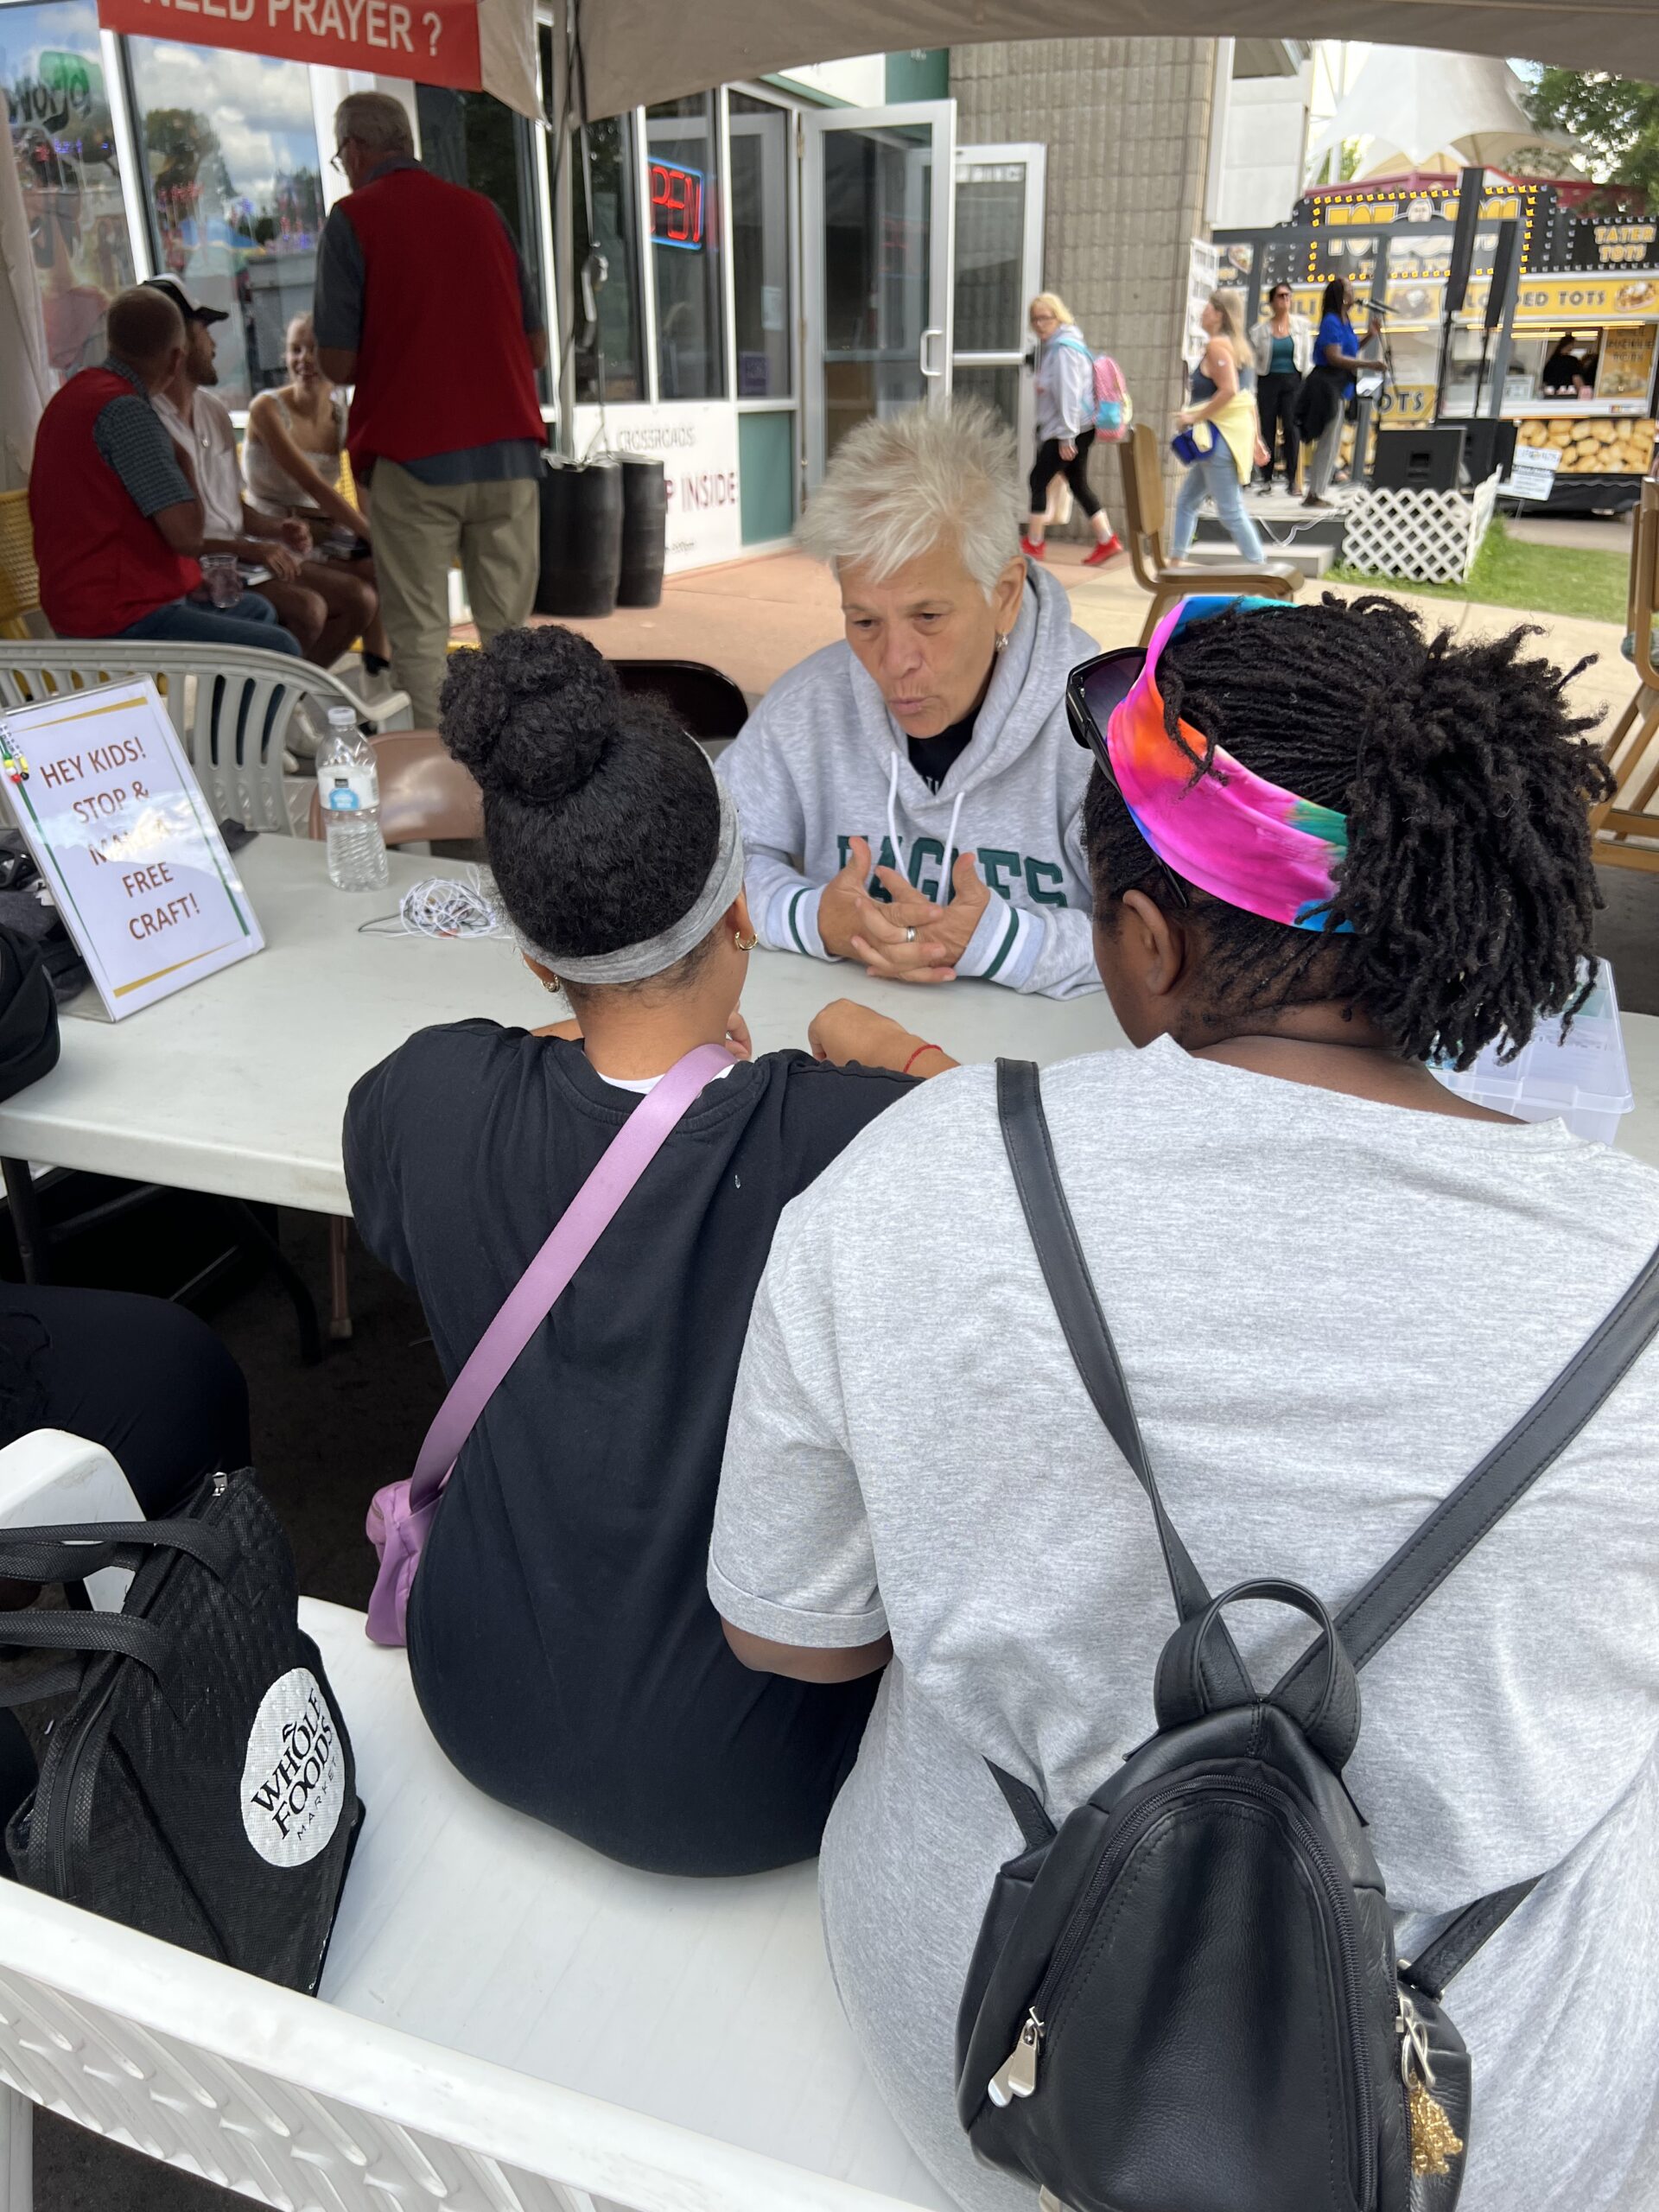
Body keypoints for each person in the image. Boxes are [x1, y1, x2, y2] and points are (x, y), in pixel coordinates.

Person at [709, 591, 1659, 2212]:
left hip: (1001, 2064)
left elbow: (791, 1636)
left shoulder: (917, 1184)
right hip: (1472, 2133)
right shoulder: (1634, 1276)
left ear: (1148, 946)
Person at [343, 624, 957, 1877]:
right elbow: (993, 1164)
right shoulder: (867, 1138)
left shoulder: (426, 1096)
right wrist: (884, 1046)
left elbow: (463, 1132)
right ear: (742, 911)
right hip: (761, 1782)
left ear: (532, 952)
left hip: (473, 1697)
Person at [716, 401, 1102, 1001]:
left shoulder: (1102, 723)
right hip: (837, 1053)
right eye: (864, 621)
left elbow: (1177, 934)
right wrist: (811, 916)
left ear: (1003, 596)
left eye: (928, 616)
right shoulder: (809, 705)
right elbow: (708, 863)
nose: (894, 662)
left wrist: (1009, 942)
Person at [315, 92, 548, 729]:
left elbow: (335, 364)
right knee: (508, 639)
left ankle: (449, 801)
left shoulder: (353, 219)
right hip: (509, 453)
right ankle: (517, 785)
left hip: (413, 455)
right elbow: (537, 347)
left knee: (421, 638)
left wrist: (399, 347)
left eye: (343, 157)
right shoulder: (485, 212)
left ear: (356, 150)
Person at [28, 286, 302, 657]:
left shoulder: (75, 394)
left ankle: (221, 718)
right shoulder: (128, 414)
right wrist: (183, 459)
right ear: (176, 359)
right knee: (279, 649)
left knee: (258, 610)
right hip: (115, 617)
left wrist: (186, 581)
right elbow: (186, 537)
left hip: (81, 600)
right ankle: (225, 718)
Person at [146, 281, 377, 670]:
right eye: (204, 330)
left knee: (362, 598)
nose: (215, 344)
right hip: (202, 569)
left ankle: (286, 705)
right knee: (310, 610)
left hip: (243, 556)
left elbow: (234, 510)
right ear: (178, 344)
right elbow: (176, 537)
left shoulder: (214, 412)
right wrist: (257, 546)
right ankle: (263, 709)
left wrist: (276, 530)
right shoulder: (148, 420)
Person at [1020, 293, 1122, 567]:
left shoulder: (1064, 350)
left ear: (1058, 317)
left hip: (1067, 430)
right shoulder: (1060, 346)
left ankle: (1034, 542)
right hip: (1076, 428)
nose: (1040, 324)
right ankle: (1106, 539)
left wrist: (1066, 435)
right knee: (1077, 483)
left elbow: (1068, 394)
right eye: (1035, 319)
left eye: (1045, 318)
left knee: (1038, 479)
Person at [1168, 289, 1268, 561]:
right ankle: (1175, 563)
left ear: (1219, 314)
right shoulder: (1240, 349)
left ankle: (1261, 570)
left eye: (1208, 308)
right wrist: (1256, 438)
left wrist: (1193, 417)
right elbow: (1248, 399)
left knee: (1230, 511)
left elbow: (1230, 391)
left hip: (1216, 439)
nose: (1203, 313)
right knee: (1188, 501)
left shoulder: (1217, 347)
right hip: (1225, 439)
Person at [1299, 277, 1374, 510]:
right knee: (1328, 441)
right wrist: (1370, 365)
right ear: (1341, 296)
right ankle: (1315, 492)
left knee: (1332, 441)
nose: (1354, 294)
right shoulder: (1331, 321)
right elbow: (1334, 357)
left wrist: (1370, 336)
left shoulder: (1345, 321)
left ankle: (1319, 489)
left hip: (1340, 387)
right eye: (1350, 291)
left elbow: (1349, 349)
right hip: (1327, 387)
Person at [1249, 282, 1313, 491]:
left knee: (1291, 427)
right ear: (1272, 301)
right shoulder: (1259, 331)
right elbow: (1254, 361)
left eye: (1288, 296)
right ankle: (1266, 478)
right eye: (1280, 296)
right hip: (1268, 380)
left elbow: (1306, 357)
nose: (1285, 300)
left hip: (1292, 380)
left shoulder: (1301, 327)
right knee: (1266, 427)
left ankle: (1292, 478)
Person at [1541, 333, 1590, 397]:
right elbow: (1577, 380)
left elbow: (1544, 382)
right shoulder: (1572, 361)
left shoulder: (1552, 361)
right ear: (1570, 345)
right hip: (1569, 395)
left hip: (1551, 396)